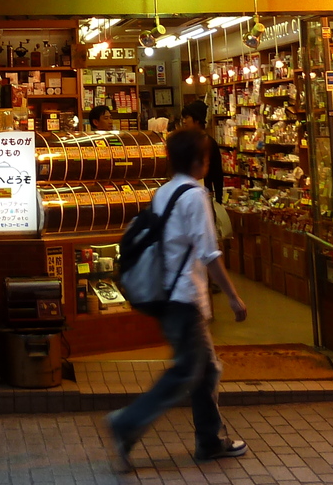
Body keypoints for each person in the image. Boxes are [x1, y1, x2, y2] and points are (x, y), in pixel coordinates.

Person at [104, 128, 247, 469]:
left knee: (206, 368)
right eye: (208, 158)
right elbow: (210, 253)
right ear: (200, 162)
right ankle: (126, 423)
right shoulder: (196, 196)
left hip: (166, 293)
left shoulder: (165, 191)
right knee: (187, 371)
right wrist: (233, 297)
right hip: (184, 297)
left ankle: (210, 439)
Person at [179, 99, 223, 202]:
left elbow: (217, 174)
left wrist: (219, 199)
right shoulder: (183, 142)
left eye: (187, 118)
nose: (184, 121)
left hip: (203, 197)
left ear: (197, 120)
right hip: (185, 195)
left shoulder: (209, 143)